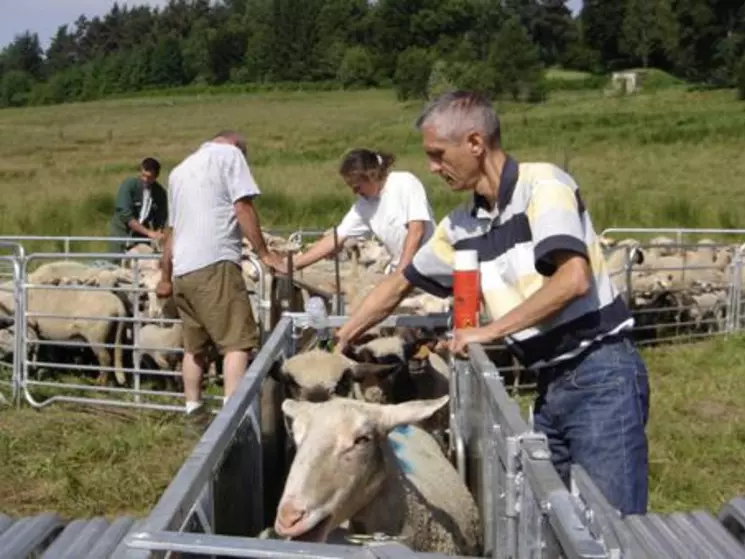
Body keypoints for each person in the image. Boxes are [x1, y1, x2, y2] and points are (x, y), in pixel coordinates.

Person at [333, 90, 650, 517]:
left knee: (609, 529)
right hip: (550, 385)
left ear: (476, 144)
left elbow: (572, 279)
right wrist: (343, 337)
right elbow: (399, 285)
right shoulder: (463, 226)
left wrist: (489, 331)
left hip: (599, 374)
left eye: (438, 154)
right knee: (556, 526)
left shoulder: (544, 184)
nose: (432, 167)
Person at [155, 131, 286, 424]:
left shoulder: (179, 170)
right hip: (214, 262)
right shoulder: (230, 156)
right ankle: (233, 420)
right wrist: (264, 253)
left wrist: (165, 275)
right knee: (237, 342)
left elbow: (171, 231)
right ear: (237, 146)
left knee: (194, 347)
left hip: (184, 270)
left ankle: (193, 410)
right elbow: (243, 206)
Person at [293, 149, 436, 274]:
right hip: (400, 271)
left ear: (371, 175)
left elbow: (417, 230)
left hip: (427, 268)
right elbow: (336, 237)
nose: (355, 192)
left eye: (357, 187)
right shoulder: (363, 207)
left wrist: (402, 271)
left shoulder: (404, 182)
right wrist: (294, 264)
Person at [109, 157, 168, 254]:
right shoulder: (129, 185)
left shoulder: (159, 193)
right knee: (116, 263)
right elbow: (125, 214)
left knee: (144, 260)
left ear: (156, 176)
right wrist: (149, 233)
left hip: (141, 235)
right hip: (122, 232)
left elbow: (161, 217)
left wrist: (158, 233)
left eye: (149, 178)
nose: (145, 180)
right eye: (143, 175)